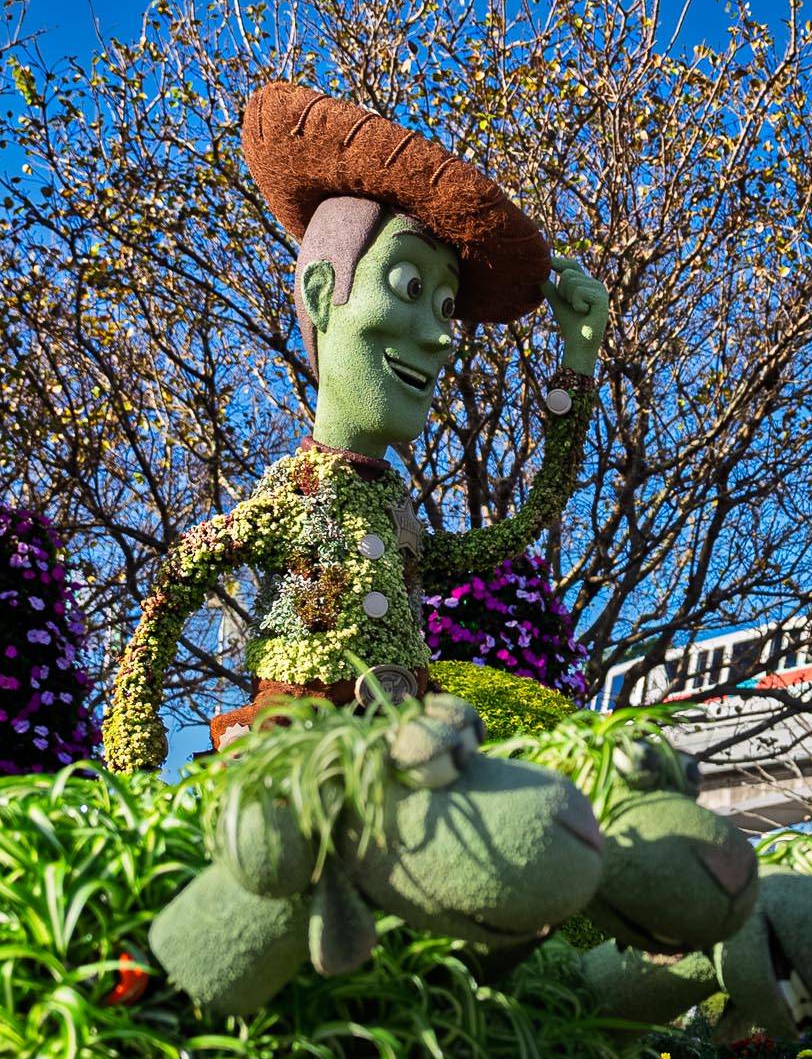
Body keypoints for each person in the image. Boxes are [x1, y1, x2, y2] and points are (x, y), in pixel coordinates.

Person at [100, 81, 610, 772]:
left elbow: (527, 524)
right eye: (408, 287)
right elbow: (176, 584)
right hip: (300, 761)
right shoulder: (287, 504)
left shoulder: (398, 516)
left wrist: (577, 360)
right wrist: (134, 736)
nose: (441, 337)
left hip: (411, 755)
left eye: (446, 304)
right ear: (320, 294)